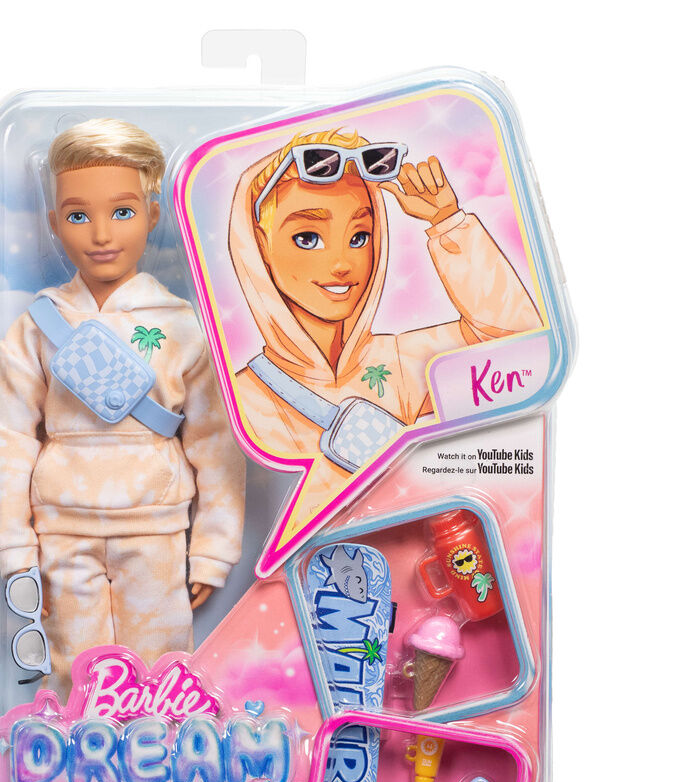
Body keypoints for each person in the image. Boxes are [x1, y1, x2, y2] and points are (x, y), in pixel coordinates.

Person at [0, 118, 245, 696]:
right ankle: (77, 751)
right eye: (78, 216)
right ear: (54, 223)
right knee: (74, 667)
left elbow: (216, 440)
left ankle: (160, 745)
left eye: (123, 211)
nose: (101, 234)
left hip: (156, 523)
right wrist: (15, 546)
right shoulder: (37, 326)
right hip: (61, 523)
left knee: (162, 664)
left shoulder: (182, 323)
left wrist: (213, 547)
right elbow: (12, 437)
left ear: (154, 215)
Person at [229, 127, 541, 517]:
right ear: (258, 244)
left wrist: (447, 223)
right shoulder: (239, 401)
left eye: (360, 236)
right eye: (308, 238)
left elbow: (520, 350)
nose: (342, 264)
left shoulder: (400, 363)